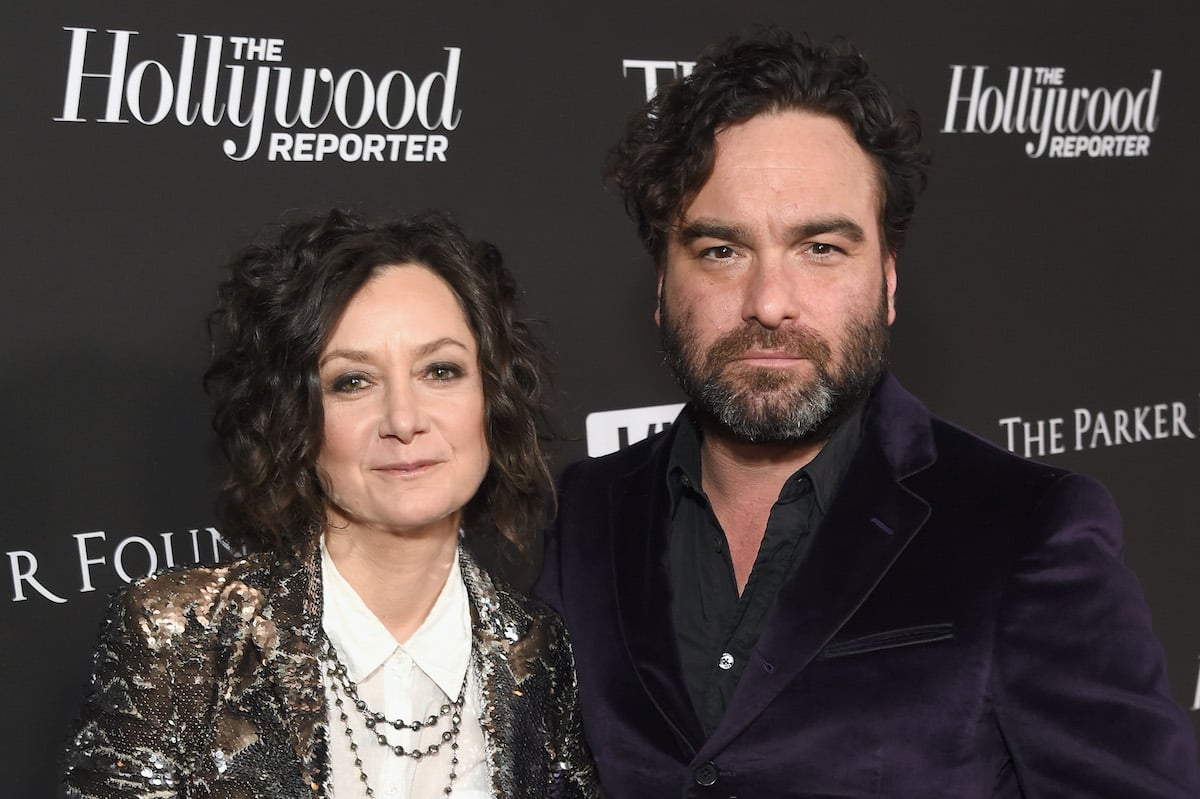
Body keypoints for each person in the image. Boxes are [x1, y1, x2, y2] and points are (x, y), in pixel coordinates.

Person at [537, 29, 1200, 797]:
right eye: (722, 250)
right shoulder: (585, 514)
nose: (770, 303)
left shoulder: (1028, 529)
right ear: (661, 286)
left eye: (820, 247)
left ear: (887, 280)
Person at [62, 209, 599, 798]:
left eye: (440, 370)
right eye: (351, 381)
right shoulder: (185, 640)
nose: (403, 420)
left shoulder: (544, 654)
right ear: (297, 421)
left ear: (491, 399)